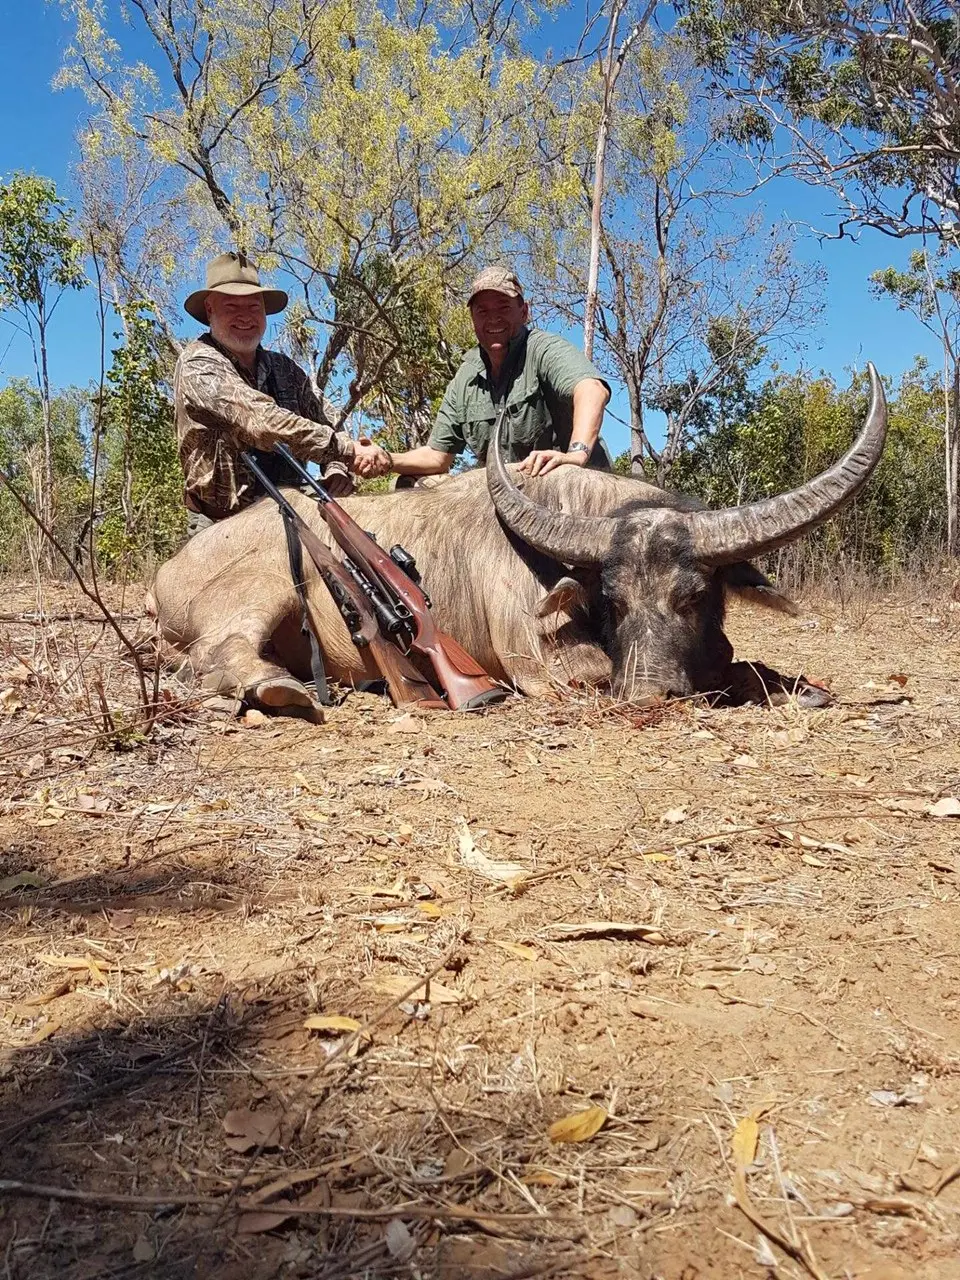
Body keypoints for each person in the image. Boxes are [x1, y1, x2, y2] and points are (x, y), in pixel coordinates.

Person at [174, 252, 391, 527]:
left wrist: (336, 469)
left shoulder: (285, 368)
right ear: (209, 310)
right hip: (221, 522)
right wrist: (347, 450)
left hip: (291, 510)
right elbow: (262, 421)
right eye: (231, 306)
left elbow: (330, 422)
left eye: (254, 306)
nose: (244, 316)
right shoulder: (198, 363)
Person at [384, 266, 612, 481]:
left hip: (574, 486)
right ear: (473, 319)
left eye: (504, 307)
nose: (493, 318)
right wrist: (386, 459)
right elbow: (437, 456)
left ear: (524, 312)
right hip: (512, 491)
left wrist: (576, 455)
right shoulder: (465, 377)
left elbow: (592, 389)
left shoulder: (543, 348)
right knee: (411, 484)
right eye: (482, 311)